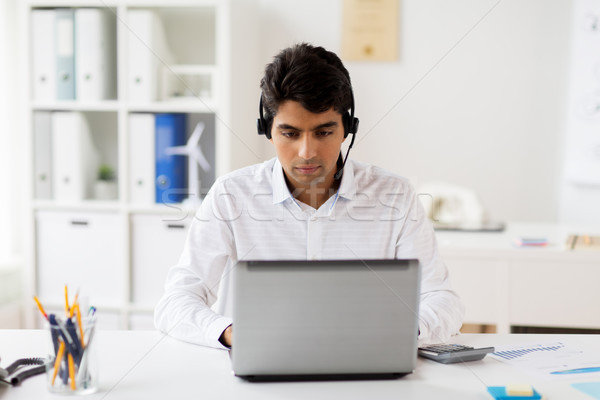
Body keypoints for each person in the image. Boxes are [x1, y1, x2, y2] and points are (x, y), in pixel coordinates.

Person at [154, 43, 464, 348]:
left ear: (347, 129)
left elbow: (441, 300)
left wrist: (396, 334)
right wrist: (230, 333)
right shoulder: (231, 195)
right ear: (268, 130)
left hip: (367, 372)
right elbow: (176, 302)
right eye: (290, 134)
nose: (307, 152)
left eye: (324, 132)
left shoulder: (395, 195)